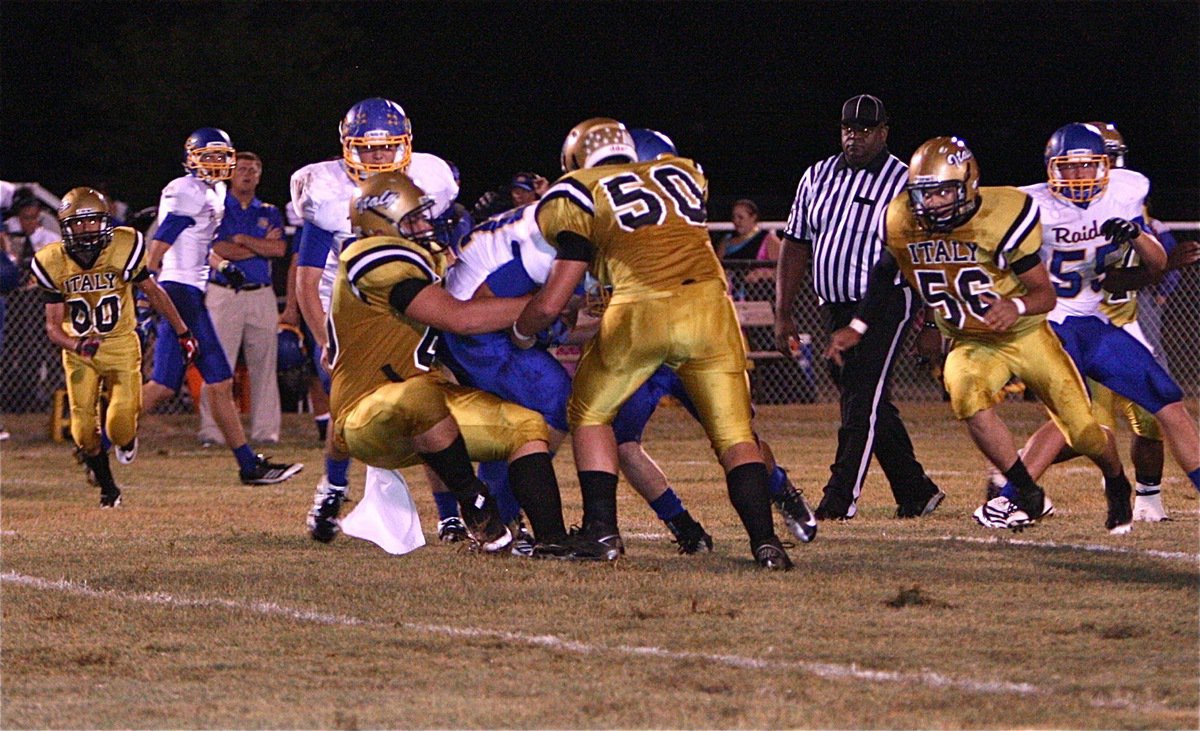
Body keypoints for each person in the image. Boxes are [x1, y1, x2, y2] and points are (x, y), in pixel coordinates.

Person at [512, 117, 795, 570]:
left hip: (640, 309)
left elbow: (552, 301)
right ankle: (766, 544)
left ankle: (602, 531)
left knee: (589, 413)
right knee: (735, 435)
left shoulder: (577, 192)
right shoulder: (682, 171)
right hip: (710, 306)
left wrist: (524, 330)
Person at [826, 135, 1136, 533]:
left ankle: (1116, 481)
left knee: (1084, 432)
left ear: (968, 184)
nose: (934, 203)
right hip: (971, 340)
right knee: (966, 393)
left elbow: (1045, 294)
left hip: (1024, 333)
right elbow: (886, 272)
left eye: (944, 192)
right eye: (926, 193)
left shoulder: (1000, 215)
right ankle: (1026, 490)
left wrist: (1016, 305)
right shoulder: (903, 220)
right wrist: (857, 326)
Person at [320, 171, 615, 561]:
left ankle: (551, 539)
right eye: (413, 220)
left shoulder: (423, 257)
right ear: (381, 224)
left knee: (525, 424)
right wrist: (550, 303)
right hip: (367, 414)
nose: (425, 226)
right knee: (418, 395)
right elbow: (459, 318)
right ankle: (475, 506)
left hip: (428, 405)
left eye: (423, 217)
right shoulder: (368, 255)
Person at [972, 124, 1200, 527]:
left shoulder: (1125, 191)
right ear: (1050, 170)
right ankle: (1006, 501)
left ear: (1105, 166)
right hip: (1048, 323)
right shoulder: (1029, 204)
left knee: (1168, 401)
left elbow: (1156, 265)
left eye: (1087, 167)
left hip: (1093, 321)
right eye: (1068, 168)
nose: (1078, 177)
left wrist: (1134, 235)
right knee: (1075, 415)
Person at [289, 97, 468, 544]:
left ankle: (449, 516)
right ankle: (332, 488)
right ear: (347, 147)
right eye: (366, 149)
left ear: (405, 145)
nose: (377, 157)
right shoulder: (326, 192)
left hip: (408, 302)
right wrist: (324, 337)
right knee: (346, 410)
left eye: (387, 147)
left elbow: (451, 247)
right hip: (345, 307)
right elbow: (307, 280)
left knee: (429, 405)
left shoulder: (431, 179)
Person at [774, 94, 942, 520]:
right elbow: (794, 245)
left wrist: (932, 321)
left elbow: (923, 254)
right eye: (849, 129)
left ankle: (838, 500)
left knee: (860, 401)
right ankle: (914, 489)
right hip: (835, 305)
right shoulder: (817, 176)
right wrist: (783, 313)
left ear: (884, 132)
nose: (855, 138)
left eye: (866, 130)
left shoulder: (904, 181)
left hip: (887, 303)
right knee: (862, 397)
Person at [141, 128, 302, 485]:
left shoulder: (209, 192)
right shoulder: (188, 190)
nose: (216, 163)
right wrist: (144, 292)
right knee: (220, 379)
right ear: (191, 158)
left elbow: (195, 245)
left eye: (220, 156)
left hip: (186, 289)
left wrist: (225, 268)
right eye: (208, 156)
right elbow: (161, 243)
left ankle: (100, 436)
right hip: (181, 293)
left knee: (164, 384)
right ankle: (249, 466)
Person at [30, 187, 196, 506]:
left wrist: (182, 331)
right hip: (80, 354)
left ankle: (126, 438)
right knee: (81, 432)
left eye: (92, 222)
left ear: (105, 222)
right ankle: (108, 488)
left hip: (120, 343)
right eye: (77, 224)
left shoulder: (124, 245)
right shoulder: (52, 261)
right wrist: (77, 345)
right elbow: (52, 327)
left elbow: (155, 292)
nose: (85, 229)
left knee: (119, 426)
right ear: (65, 227)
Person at [196, 152, 287, 445]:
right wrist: (260, 246)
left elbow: (279, 250)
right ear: (230, 174)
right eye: (243, 169)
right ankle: (213, 430)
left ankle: (265, 432)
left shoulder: (269, 211)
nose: (248, 174)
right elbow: (218, 249)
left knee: (264, 365)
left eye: (254, 169)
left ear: (260, 176)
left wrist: (244, 241)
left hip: (261, 294)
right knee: (218, 365)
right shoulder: (218, 208)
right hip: (224, 293)